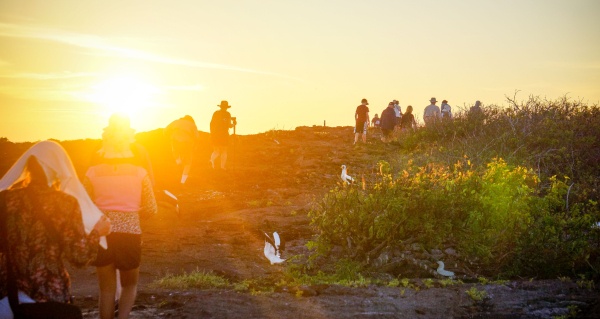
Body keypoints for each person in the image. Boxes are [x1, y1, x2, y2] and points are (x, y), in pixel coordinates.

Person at [0, 141, 111, 318]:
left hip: (7, 299)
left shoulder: (5, 200)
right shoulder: (65, 203)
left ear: (29, 167)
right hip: (48, 300)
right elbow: (79, 257)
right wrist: (98, 232)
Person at [84, 115, 157, 319]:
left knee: (106, 290)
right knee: (129, 284)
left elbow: (85, 203)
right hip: (130, 233)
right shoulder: (140, 173)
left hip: (102, 234)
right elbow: (151, 209)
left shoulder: (92, 173)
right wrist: (135, 210)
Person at [165, 115, 200, 184]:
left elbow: (165, 130)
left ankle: (178, 161)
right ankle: (182, 181)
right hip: (187, 143)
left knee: (176, 152)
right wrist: (195, 145)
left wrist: (168, 137)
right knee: (188, 162)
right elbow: (197, 137)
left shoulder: (176, 122)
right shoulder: (192, 124)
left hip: (174, 140)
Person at [210, 101, 235, 170]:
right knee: (224, 150)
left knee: (216, 150)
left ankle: (212, 162)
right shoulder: (227, 114)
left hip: (215, 134)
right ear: (226, 107)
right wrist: (234, 124)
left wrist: (212, 133)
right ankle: (222, 167)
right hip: (224, 134)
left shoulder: (216, 113)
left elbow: (211, 123)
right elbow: (229, 125)